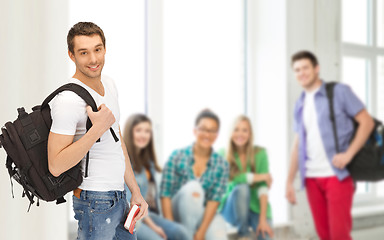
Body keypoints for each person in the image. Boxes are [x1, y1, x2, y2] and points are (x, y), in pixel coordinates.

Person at [47, 22, 148, 240]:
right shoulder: (68, 100)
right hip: (93, 200)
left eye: (97, 49)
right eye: (84, 52)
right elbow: (55, 165)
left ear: (104, 48)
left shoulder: (109, 85)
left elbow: (116, 142)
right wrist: (97, 129)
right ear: (71, 55)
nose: (93, 59)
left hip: (119, 195)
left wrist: (135, 191)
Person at [285, 50, 375, 240]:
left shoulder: (339, 92)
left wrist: (348, 155)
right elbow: (297, 144)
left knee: (339, 235)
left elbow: (367, 122)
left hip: (337, 175)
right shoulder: (299, 103)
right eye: (297, 70)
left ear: (316, 68)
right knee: (324, 235)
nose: (301, 73)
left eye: (305, 68)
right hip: (311, 177)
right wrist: (289, 181)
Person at [160, 109, 229, 240]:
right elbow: (165, 195)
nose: (207, 134)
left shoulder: (221, 164)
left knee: (219, 235)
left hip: (203, 215)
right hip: (177, 213)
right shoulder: (177, 156)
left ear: (217, 135)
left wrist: (202, 232)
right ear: (195, 131)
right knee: (194, 188)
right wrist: (171, 229)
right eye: (203, 129)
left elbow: (214, 200)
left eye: (212, 130)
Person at [123, 114, 190, 240]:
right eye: (139, 130)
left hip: (148, 215)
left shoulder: (148, 163)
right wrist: (154, 228)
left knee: (181, 232)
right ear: (130, 132)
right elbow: (132, 204)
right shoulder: (125, 163)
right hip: (132, 217)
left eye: (147, 131)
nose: (143, 135)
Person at [219, 115, 273, 240]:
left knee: (267, 236)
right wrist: (258, 177)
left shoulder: (260, 153)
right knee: (242, 188)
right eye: (236, 129)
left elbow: (263, 188)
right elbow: (232, 177)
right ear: (230, 132)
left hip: (254, 208)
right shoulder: (222, 154)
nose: (240, 134)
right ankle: (243, 234)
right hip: (231, 209)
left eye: (245, 130)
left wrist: (262, 219)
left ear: (250, 133)